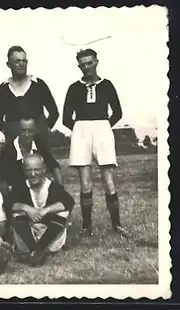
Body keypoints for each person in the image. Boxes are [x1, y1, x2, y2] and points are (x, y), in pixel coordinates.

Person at [62, 48, 128, 237]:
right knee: (85, 182)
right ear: (79, 66)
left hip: (102, 129)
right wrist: (80, 129)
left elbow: (117, 112)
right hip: (81, 131)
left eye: (89, 63)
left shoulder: (107, 85)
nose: (86, 67)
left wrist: (104, 127)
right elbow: (67, 117)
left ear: (96, 62)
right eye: (82, 64)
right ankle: (87, 227)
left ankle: (117, 225)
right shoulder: (74, 88)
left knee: (108, 179)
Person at [9, 153, 75, 266]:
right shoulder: (20, 187)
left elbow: (69, 202)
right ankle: (34, 251)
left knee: (63, 211)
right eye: (29, 170)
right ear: (24, 171)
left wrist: (45, 210)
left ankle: (37, 251)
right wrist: (26, 208)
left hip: (49, 237)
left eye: (37, 170)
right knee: (17, 212)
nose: (33, 174)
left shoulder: (53, 187)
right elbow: (8, 203)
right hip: (28, 236)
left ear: (44, 169)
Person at [0, 45, 59, 148]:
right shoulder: (3, 89)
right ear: (8, 64)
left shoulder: (38, 84)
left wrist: (43, 131)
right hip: (14, 144)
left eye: (24, 61)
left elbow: (54, 112)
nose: (21, 64)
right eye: (17, 61)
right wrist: (10, 132)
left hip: (39, 143)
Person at [0, 114, 63, 202]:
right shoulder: (8, 151)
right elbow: (2, 182)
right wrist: (10, 204)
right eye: (23, 131)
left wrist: (60, 191)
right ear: (18, 131)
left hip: (38, 191)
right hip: (17, 194)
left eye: (30, 131)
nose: (26, 134)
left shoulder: (39, 144)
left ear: (35, 130)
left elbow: (55, 167)